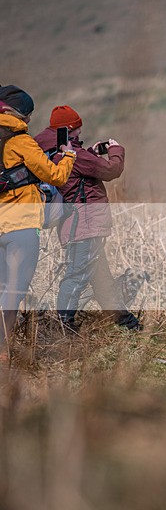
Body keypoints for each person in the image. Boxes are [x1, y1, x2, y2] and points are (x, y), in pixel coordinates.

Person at [34, 105, 142, 333]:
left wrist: (91, 151)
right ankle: (65, 329)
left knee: (100, 277)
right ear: (68, 130)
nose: (80, 135)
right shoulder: (75, 156)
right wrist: (116, 149)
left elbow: (78, 171)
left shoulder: (50, 151)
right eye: (77, 131)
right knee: (76, 276)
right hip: (85, 225)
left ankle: (125, 322)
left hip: (75, 224)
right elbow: (112, 170)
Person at [1, 85, 76, 355]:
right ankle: (3, 353)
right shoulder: (22, 142)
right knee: (13, 293)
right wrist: (68, 155)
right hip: (21, 227)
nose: (29, 120)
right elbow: (55, 176)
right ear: (15, 113)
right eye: (27, 114)